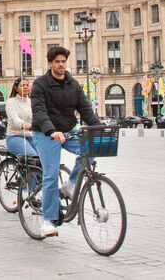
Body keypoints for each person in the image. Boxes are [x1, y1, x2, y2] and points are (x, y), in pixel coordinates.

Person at [31, 46, 101, 239]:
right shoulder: (40, 85)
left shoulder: (73, 84)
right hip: (45, 133)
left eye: (64, 61)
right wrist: (51, 131)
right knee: (51, 175)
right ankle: (48, 220)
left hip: (68, 130)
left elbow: (86, 110)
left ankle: (70, 184)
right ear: (51, 64)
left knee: (92, 146)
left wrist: (99, 128)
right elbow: (39, 111)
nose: (61, 65)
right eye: (58, 62)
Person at [5, 77, 37, 157]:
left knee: (45, 155)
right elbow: (14, 119)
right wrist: (23, 125)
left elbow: (38, 117)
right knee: (32, 156)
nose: (26, 87)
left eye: (27, 85)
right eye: (22, 85)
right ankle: (27, 170)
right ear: (16, 88)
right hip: (15, 136)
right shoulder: (11, 102)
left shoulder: (31, 102)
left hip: (30, 136)